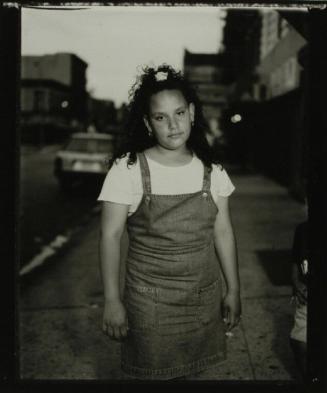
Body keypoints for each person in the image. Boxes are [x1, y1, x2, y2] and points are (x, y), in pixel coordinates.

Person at [98, 64, 241, 380]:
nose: (173, 125)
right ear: (149, 123)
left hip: (202, 298)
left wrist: (234, 289)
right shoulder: (129, 169)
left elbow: (224, 231)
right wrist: (111, 300)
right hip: (149, 302)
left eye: (179, 113)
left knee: (193, 374)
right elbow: (110, 236)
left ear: (191, 112)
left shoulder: (212, 171)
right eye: (161, 118)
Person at [290, 213, 308, 380]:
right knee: (298, 342)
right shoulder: (303, 230)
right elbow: (296, 261)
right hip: (306, 300)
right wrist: (296, 283)